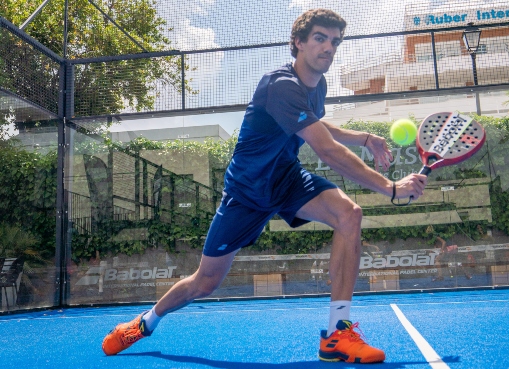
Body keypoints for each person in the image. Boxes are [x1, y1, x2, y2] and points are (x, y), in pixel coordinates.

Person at [102, 9, 427, 364]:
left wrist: (363, 137)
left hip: (286, 179)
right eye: (320, 38)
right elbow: (326, 149)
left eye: (335, 41)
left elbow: (317, 125)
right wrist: (391, 188)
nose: (329, 47)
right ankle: (145, 323)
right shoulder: (281, 85)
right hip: (246, 193)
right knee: (204, 282)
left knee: (349, 214)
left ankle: (337, 333)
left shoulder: (318, 85)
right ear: (299, 42)